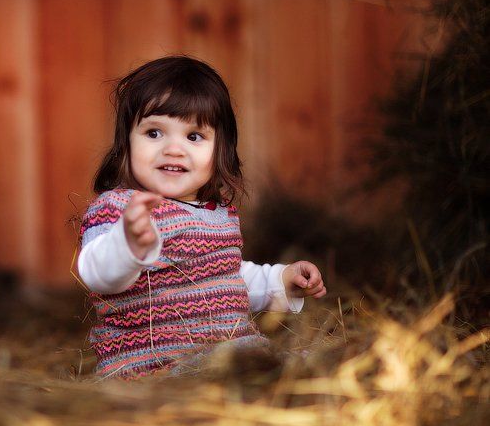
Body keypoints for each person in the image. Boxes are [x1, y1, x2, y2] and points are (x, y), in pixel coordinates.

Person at [77, 56, 327, 379]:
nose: (173, 149)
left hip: (227, 354)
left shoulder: (217, 215)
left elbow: (226, 280)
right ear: (126, 143)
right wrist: (128, 244)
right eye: (154, 133)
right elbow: (96, 273)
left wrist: (280, 282)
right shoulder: (122, 211)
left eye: (193, 137)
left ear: (219, 150)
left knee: (307, 363)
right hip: (156, 365)